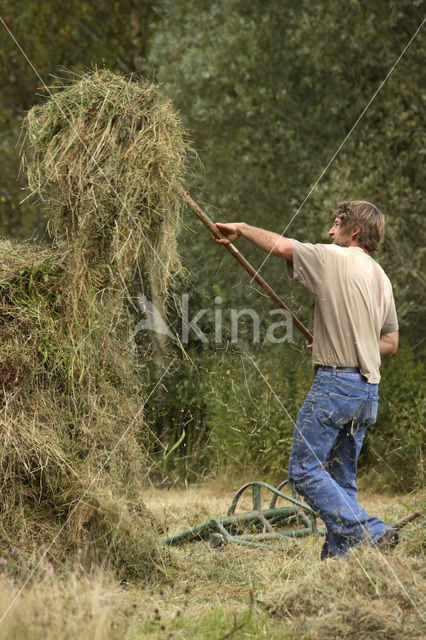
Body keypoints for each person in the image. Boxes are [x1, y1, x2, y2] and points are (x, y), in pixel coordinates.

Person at [214, 201, 399, 559]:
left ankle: (370, 531)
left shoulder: (333, 256)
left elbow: (283, 246)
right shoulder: (381, 278)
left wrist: (241, 227)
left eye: (336, 224)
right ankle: (339, 569)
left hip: (336, 385)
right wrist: (347, 338)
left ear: (354, 232)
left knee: (304, 470)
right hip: (367, 392)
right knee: (341, 481)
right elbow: (390, 342)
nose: (331, 232)